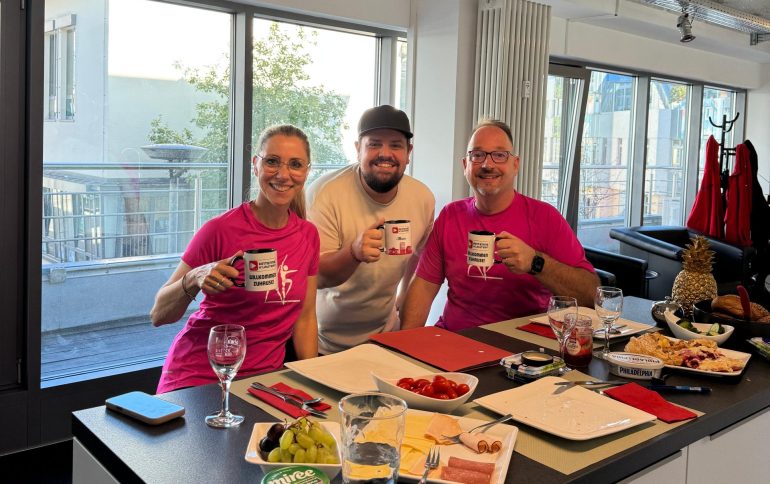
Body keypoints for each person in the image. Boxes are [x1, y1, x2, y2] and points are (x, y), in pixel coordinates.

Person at [150, 125, 319, 393]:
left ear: (307, 171)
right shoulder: (219, 230)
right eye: (272, 161)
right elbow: (158, 315)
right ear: (256, 165)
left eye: (295, 164)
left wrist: (313, 382)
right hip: (200, 375)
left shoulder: (308, 235)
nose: (283, 174)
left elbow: (306, 318)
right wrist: (194, 277)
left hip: (263, 385)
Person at [401, 119, 598, 331]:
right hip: (454, 338)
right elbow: (423, 288)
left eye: (500, 155)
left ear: (515, 164)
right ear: (466, 165)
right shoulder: (450, 216)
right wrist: (403, 344)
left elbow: (591, 296)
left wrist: (536, 262)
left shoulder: (545, 218)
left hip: (519, 344)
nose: (487, 165)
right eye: (477, 155)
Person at [306, 105, 435, 354]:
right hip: (324, 342)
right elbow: (318, 277)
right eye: (374, 144)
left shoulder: (422, 197)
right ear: (358, 149)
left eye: (395, 145)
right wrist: (353, 253)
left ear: (408, 153)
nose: (385, 154)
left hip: (385, 339)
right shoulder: (324, 194)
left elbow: (420, 253)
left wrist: (402, 297)